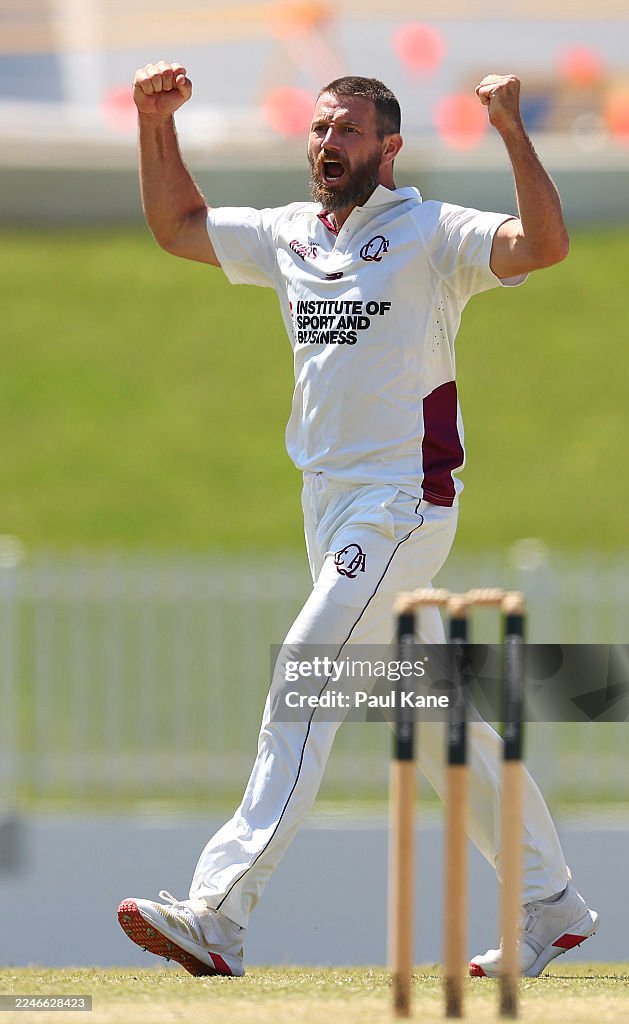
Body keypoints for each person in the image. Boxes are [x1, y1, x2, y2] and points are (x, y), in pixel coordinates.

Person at [117, 61, 599, 982]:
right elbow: (178, 227)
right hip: (330, 507)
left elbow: (544, 247)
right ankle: (551, 901)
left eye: (346, 130)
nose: (327, 143)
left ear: (389, 146)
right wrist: (155, 124)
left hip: (402, 504)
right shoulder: (290, 233)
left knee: (304, 673)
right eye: (320, 128)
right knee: (428, 713)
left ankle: (219, 914)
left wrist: (509, 131)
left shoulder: (432, 230)